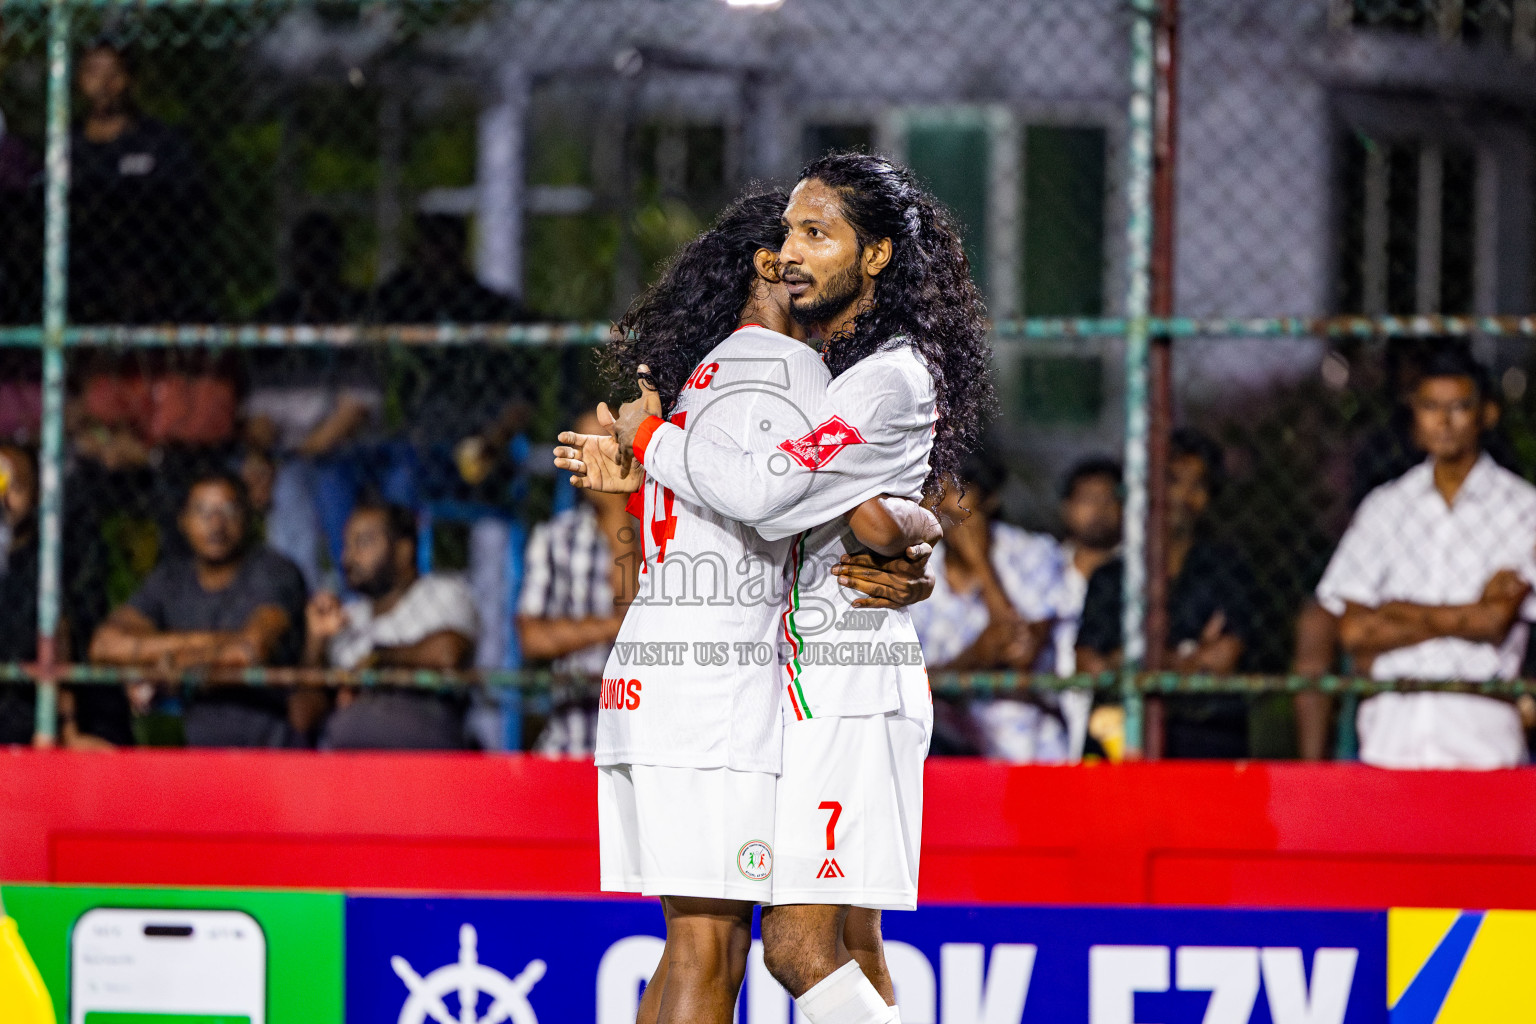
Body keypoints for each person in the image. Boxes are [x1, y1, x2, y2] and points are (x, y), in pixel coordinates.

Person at [601, 153, 992, 1024]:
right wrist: (913, 535)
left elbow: (767, 491)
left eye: (818, 233)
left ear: (879, 256)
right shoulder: (818, 368)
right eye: (787, 234)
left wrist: (652, 441)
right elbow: (870, 506)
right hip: (795, 675)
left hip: (842, 682)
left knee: (794, 945)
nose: (792, 253)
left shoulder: (878, 375)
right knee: (838, 942)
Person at [1315, 344, 1536, 769]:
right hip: (1391, 743)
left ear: (1487, 414)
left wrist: (1397, 611)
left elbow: (1493, 623)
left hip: (1483, 746)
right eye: (1431, 406)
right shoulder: (1385, 507)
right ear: (1415, 415)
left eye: (1459, 407)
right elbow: (1355, 632)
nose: (1444, 421)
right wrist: (1466, 615)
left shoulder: (1522, 508)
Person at [88, 470, 308, 747]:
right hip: (195, 747)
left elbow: (249, 650)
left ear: (248, 517)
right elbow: (105, 646)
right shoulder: (170, 579)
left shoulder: (272, 571)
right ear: (184, 521)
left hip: (269, 745)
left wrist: (169, 665)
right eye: (203, 511)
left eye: (227, 509)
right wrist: (195, 650)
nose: (216, 523)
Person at [1077, 428, 1258, 758]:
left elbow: (1224, 658)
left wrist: (1128, 660)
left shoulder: (1228, 571)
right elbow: (1088, 666)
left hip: (1204, 741)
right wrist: (1188, 657)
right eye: (1173, 480)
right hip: (1118, 742)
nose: (1183, 495)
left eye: (1198, 485)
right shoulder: (1111, 576)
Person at [303, 502, 478, 749]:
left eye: (363, 542)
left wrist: (378, 660)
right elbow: (303, 718)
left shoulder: (443, 593)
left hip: (424, 761)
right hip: (345, 767)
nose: (348, 557)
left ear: (403, 551)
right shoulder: (345, 618)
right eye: (347, 544)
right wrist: (315, 642)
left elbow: (448, 652)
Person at [518, 409, 641, 755]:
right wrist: (613, 628)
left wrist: (619, 513)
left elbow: (638, 618)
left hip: (641, 736)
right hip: (571, 737)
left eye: (607, 445)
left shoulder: (657, 533)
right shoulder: (555, 537)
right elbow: (533, 638)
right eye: (586, 450)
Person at [0, 445, 130, 748]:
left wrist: (66, 726)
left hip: (47, 703)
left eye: (14, 486)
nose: (1, 498)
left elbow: (62, 635)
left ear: (36, 496)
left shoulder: (60, 555)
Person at [68, 41, 204, 323]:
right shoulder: (66, 144)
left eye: (114, 73)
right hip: (82, 280)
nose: (103, 84)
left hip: (154, 281)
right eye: (93, 72)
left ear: (130, 80)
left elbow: (188, 211)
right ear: (79, 79)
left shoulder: (159, 142)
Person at [372, 214, 527, 323]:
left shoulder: (475, 298)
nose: (442, 251)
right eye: (434, 240)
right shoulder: (397, 294)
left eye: (453, 241)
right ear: (418, 246)